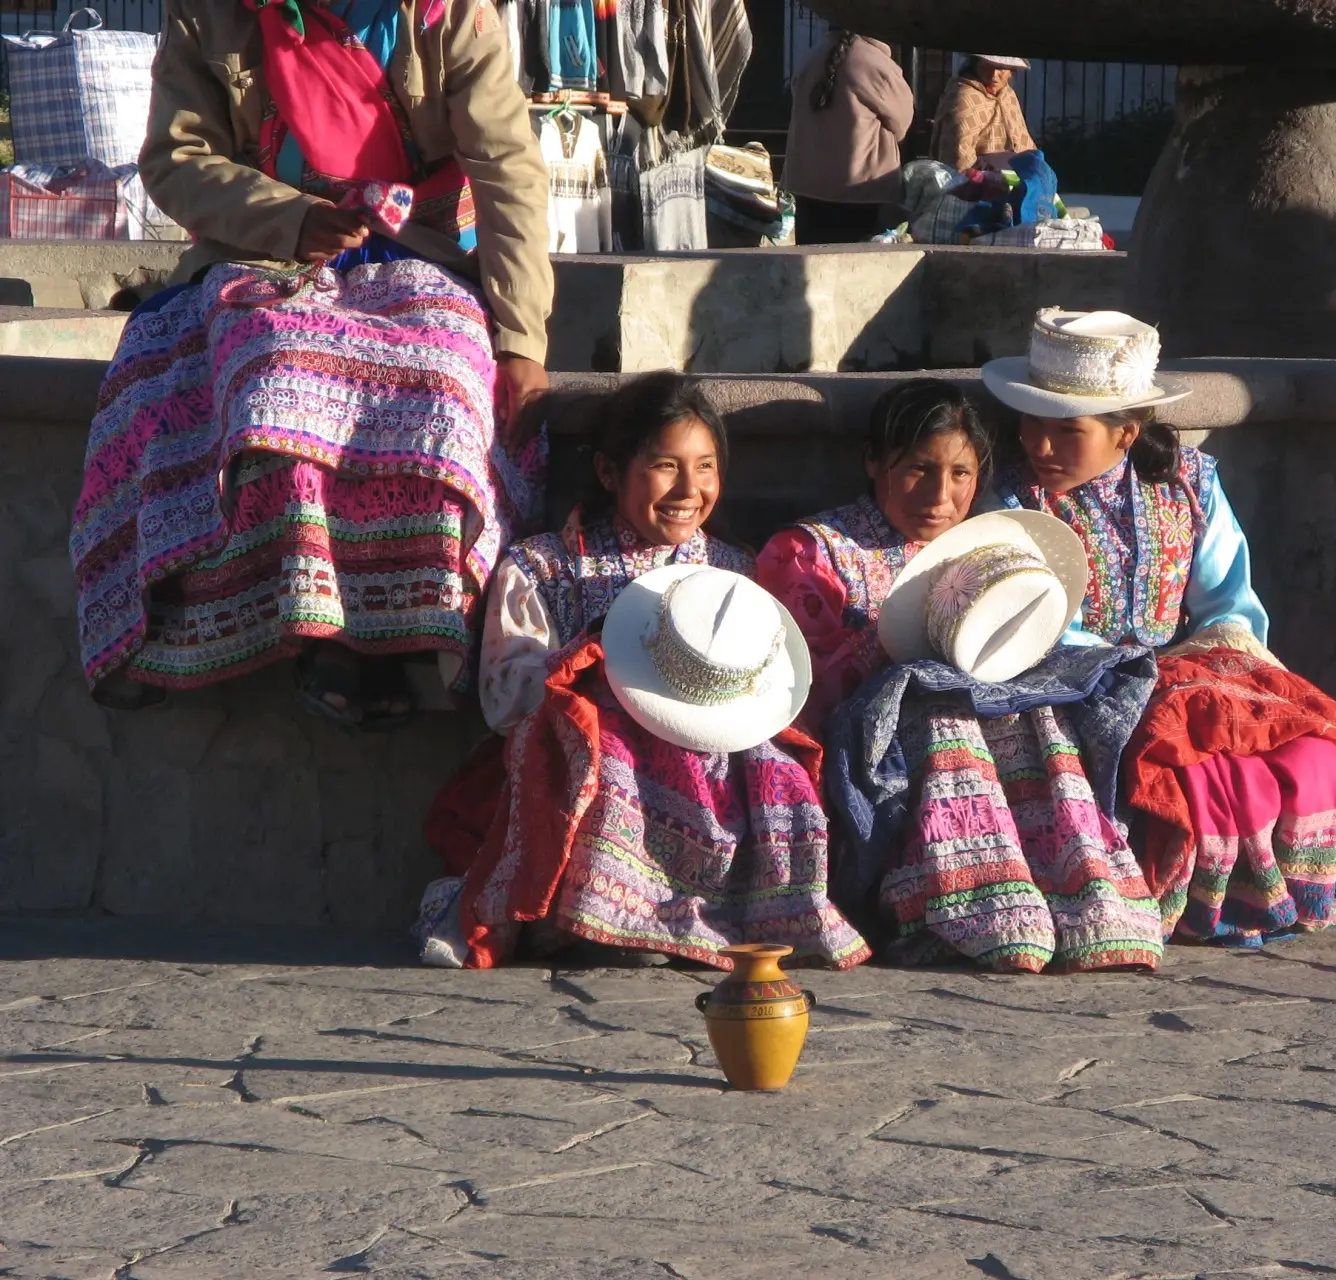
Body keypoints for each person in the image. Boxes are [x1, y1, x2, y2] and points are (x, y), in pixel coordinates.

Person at [70, 0, 552, 729]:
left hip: (415, 248)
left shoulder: (447, 15)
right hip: (260, 252)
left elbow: (507, 168)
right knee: (274, 374)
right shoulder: (209, 14)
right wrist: (293, 219)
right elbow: (177, 159)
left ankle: (414, 628)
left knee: (445, 382)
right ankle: (314, 626)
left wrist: (521, 340)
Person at [982, 309, 1336, 949]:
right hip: (1082, 687)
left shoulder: (1191, 485)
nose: (1040, 447)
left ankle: (1294, 892)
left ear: (1126, 433)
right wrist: (1148, 678)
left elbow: (1230, 603)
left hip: (1191, 672)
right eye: (1032, 425)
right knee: (1209, 771)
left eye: (1067, 431)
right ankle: (1210, 901)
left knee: (1312, 754)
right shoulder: (1012, 501)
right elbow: (1043, 625)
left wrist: (1204, 675)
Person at [417, 373, 871, 972]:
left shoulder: (732, 574)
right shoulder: (543, 567)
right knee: (609, 746)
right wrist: (590, 660)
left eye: (705, 467)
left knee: (776, 769)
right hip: (585, 753)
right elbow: (505, 701)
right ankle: (605, 918)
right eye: (664, 466)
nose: (689, 489)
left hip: (715, 757)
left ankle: (727, 918)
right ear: (609, 472)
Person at [755, 379, 992, 734]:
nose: (940, 496)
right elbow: (795, 689)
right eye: (919, 468)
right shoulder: (809, 554)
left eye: (960, 473)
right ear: (872, 460)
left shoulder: (986, 552)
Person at [783, 29, 915, 244]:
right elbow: (903, 122)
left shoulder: (811, 57)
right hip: (861, 190)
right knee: (857, 261)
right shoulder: (877, 65)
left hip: (807, 186)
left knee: (811, 259)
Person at [929, 55, 1036, 174]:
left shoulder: (1008, 95)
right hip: (981, 176)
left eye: (1001, 68)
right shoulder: (964, 96)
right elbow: (959, 156)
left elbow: (1023, 143)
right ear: (976, 65)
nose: (994, 75)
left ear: (1011, 72)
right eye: (988, 66)